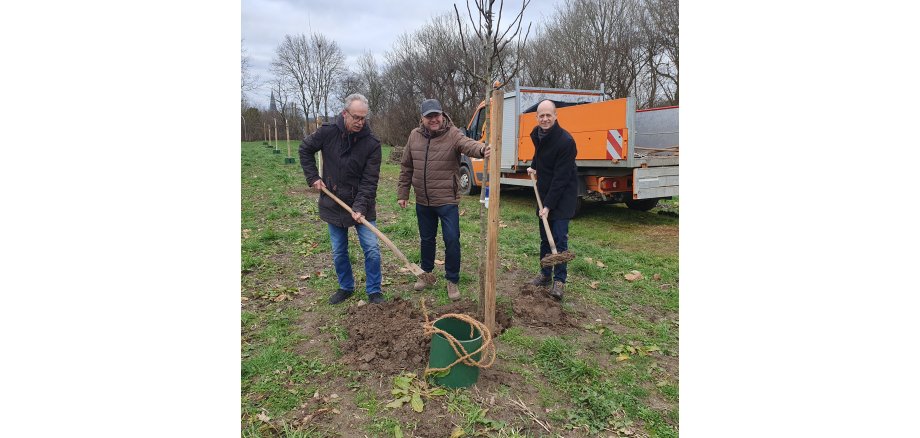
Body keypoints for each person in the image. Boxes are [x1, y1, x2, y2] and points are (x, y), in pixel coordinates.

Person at [397, 98, 490, 301]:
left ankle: (452, 280)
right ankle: (427, 274)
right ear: (422, 118)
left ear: (442, 114)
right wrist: (403, 193)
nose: (434, 119)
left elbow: (468, 145)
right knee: (426, 240)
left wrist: (482, 150)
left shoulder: (453, 134)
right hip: (423, 200)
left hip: (447, 200)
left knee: (451, 240)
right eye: (429, 116)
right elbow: (406, 166)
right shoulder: (414, 136)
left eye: (436, 115)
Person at [299, 93, 384, 305]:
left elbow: (369, 181)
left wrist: (360, 207)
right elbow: (305, 149)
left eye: (363, 118)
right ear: (345, 113)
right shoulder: (328, 132)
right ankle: (346, 287)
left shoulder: (372, 143)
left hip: (361, 203)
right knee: (339, 251)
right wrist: (313, 177)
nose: (360, 122)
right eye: (356, 117)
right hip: (333, 202)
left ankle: (374, 291)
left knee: (372, 249)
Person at [527, 100, 578, 301]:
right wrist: (533, 166)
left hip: (562, 194)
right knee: (544, 239)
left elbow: (561, 177)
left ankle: (559, 280)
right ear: (537, 117)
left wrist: (548, 205)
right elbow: (539, 155)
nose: (545, 119)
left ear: (556, 116)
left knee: (559, 238)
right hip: (544, 191)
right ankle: (545, 274)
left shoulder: (566, 141)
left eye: (549, 115)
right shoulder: (537, 134)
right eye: (542, 116)